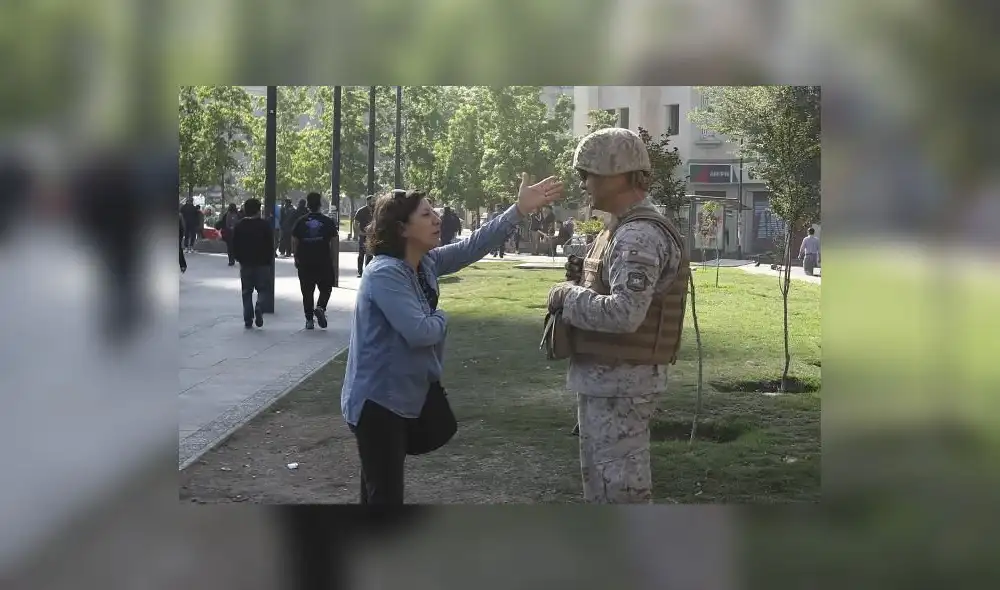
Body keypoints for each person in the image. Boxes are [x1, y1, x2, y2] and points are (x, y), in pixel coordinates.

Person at [341, 174, 564, 504]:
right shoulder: (385, 272)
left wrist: (518, 209)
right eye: (426, 215)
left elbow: (474, 245)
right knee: (385, 495)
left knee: (379, 490)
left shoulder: (425, 263)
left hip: (402, 394)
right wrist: (442, 317)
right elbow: (420, 332)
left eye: (436, 212)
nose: (438, 219)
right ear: (402, 228)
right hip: (378, 402)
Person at [546, 127, 690, 504]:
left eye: (588, 173)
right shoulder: (619, 231)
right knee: (604, 490)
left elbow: (626, 314)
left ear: (618, 174)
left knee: (620, 492)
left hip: (622, 384)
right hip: (610, 382)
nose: (583, 183)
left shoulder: (637, 236)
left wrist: (567, 295)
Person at [292, 192, 338, 330]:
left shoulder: (300, 221)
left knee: (307, 291)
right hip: (323, 260)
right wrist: (334, 260)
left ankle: (309, 320)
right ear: (320, 204)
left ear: (308, 204)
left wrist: (296, 256)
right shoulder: (327, 221)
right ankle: (320, 307)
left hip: (305, 261)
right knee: (326, 287)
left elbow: (294, 240)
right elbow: (334, 242)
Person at [231, 198, 274, 329]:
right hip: (262, 263)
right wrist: (268, 259)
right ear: (258, 210)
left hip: (246, 263)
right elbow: (270, 244)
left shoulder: (239, 225)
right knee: (263, 289)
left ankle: (248, 319)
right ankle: (259, 305)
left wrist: (239, 258)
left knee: (246, 291)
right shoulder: (265, 225)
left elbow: (234, 245)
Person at [353, 195, 375, 277]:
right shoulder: (361, 211)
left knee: (370, 255)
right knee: (361, 254)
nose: (374, 202)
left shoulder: (375, 211)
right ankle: (360, 272)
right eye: (373, 200)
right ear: (368, 201)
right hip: (363, 236)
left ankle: (367, 272)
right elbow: (355, 222)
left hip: (371, 236)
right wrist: (358, 232)